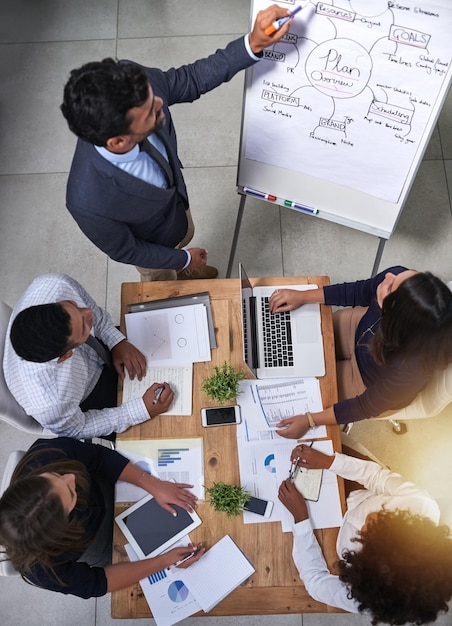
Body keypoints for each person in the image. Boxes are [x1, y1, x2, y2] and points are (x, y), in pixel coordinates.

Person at [60, 5, 292, 282]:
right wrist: (182, 259)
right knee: (163, 282)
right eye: (151, 113)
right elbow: (128, 250)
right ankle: (184, 270)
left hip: (176, 213)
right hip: (156, 250)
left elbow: (189, 79)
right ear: (118, 141)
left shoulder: (133, 82)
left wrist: (251, 44)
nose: (161, 103)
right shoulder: (87, 202)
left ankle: (190, 268)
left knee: (187, 235)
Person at [0, 437, 203, 598]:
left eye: (54, 475)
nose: (70, 477)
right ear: (61, 531)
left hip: (112, 483)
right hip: (96, 542)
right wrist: (163, 562)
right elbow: (99, 582)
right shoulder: (43, 571)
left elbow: (99, 458)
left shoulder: (46, 456)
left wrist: (153, 484)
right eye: (71, 494)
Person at [268, 266, 452, 439]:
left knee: (306, 389)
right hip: (360, 329)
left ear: (395, 319)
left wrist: (309, 420)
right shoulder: (397, 275)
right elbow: (359, 291)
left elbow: (365, 406)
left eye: (390, 288)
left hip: (366, 382)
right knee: (291, 351)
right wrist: (303, 296)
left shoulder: (411, 370)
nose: (389, 277)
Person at [278, 444, 452, 625]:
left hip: (330, 536)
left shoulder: (370, 595)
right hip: (354, 491)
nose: (370, 517)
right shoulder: (421, 505)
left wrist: (300, 519)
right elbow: (376, 476)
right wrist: (330, 462)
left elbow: (316, 583)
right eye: (386, 517)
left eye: (367, 538)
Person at [3, 273, 174, 438]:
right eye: (84, 327)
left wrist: (116, 341)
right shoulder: (51, 402)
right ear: (65, 356)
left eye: (74, 306)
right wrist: (140, 410)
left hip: (99, 348)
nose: (88, 313)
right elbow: (79, 428)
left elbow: (97, 318)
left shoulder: (55, 285)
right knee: (167, 425)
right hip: (90, 394)